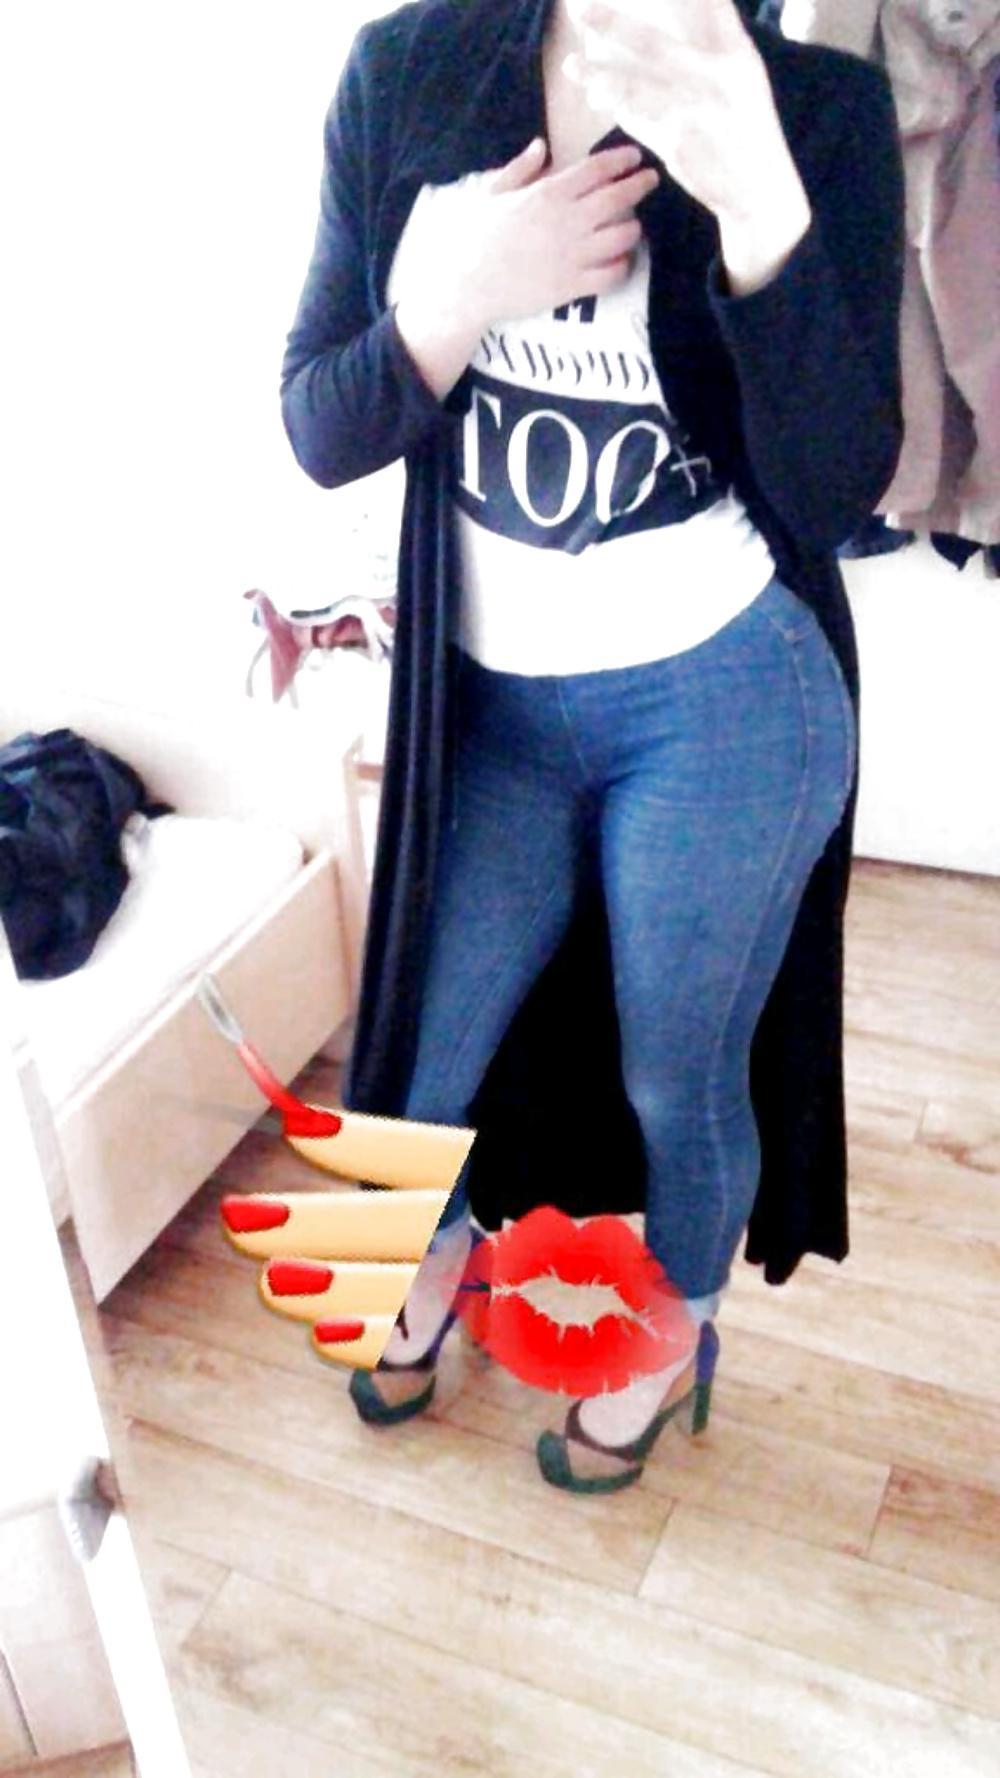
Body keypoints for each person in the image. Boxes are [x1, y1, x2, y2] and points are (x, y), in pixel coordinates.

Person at [281, 0, 905, 1493]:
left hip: (726, 702)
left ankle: (672, 1331)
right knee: (415, 1061)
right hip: (489, 714)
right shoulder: (408, 71)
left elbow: (838, 490)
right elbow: (320, 422)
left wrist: (758, 197)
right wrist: (452, 301)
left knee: (677, 1074)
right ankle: (429, 1265)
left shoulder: (820, 107)